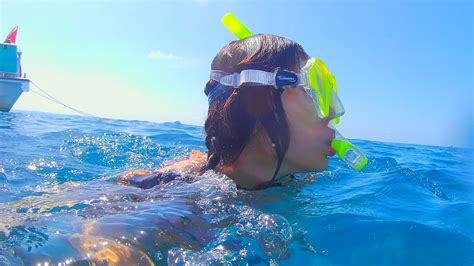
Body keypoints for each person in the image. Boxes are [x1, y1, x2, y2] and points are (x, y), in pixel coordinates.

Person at [120, 34, 338, 190]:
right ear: (258, 104)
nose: (331, 112)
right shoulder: (178, 196)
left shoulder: (298, 181)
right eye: (313, 92)